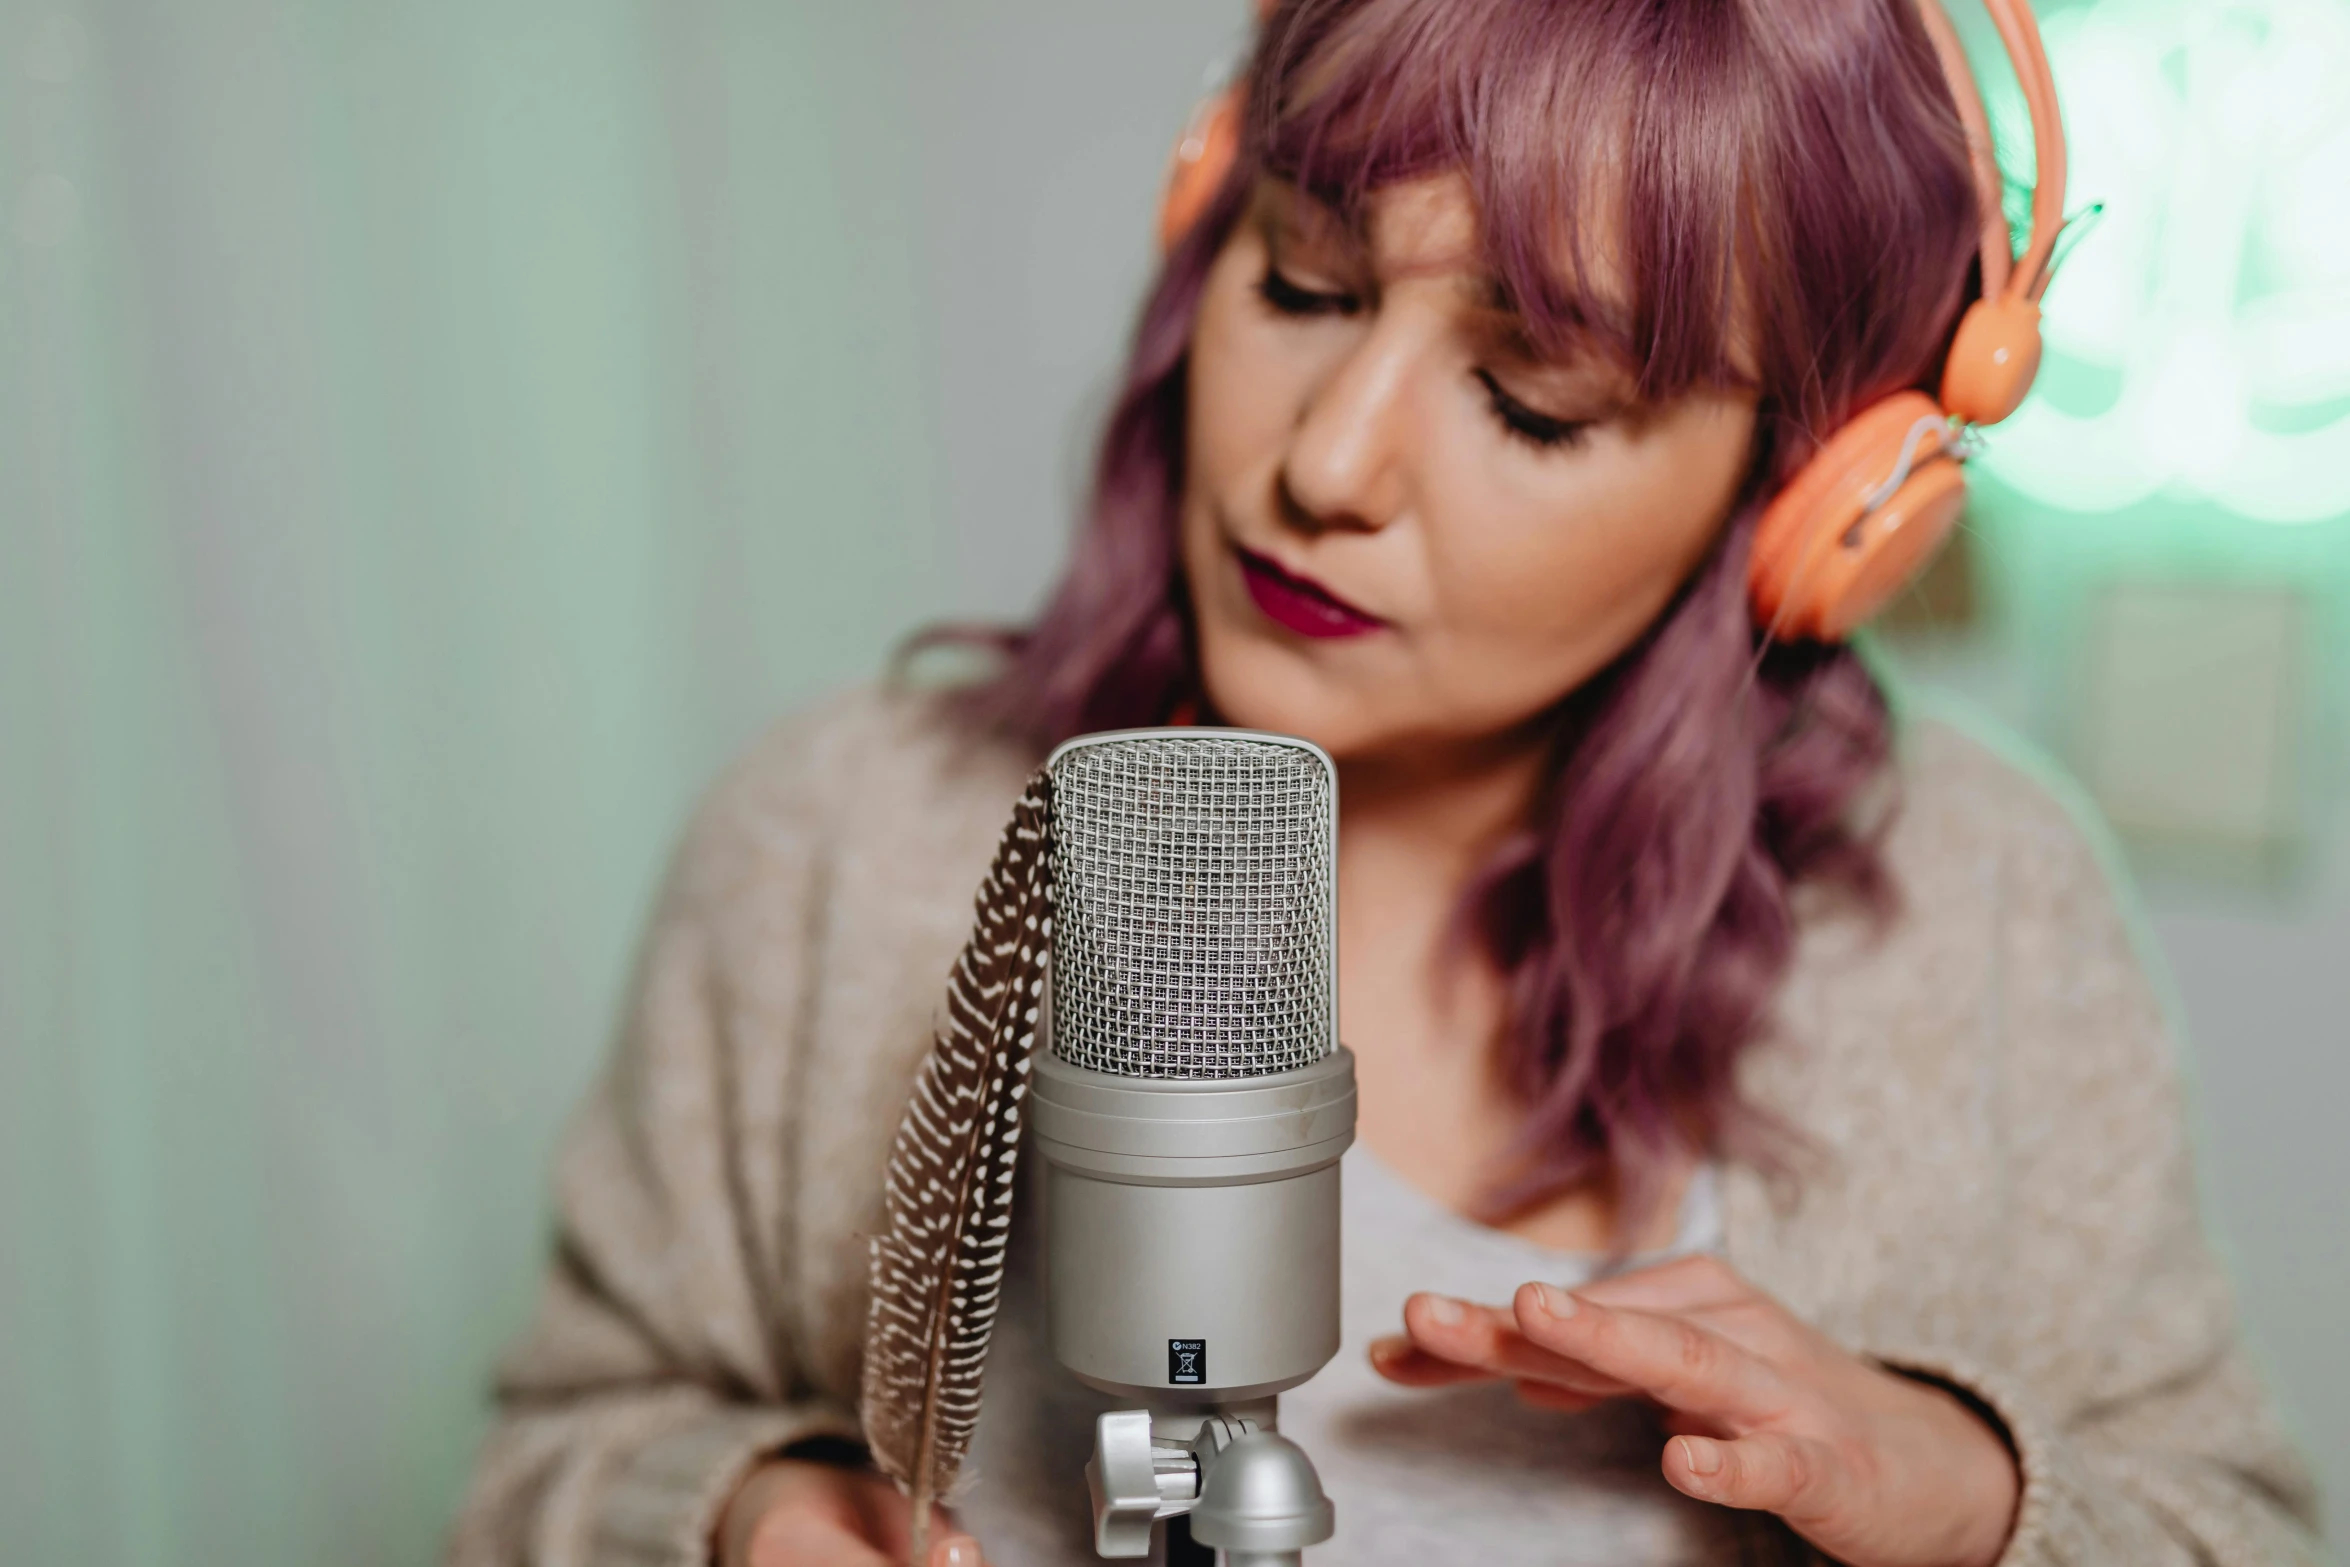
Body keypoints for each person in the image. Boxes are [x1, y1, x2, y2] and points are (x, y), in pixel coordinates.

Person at [446, 1, 2323, 1564]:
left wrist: (1962, 1487)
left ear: (1809, 504)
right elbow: (560, 1450)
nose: (1327, 462)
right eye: (1303, 279)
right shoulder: (839, 841)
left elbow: (2226, 1515)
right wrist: (741, 1516)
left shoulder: (1988, 907)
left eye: (1533, 399)